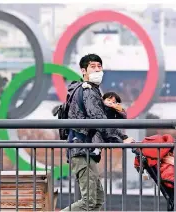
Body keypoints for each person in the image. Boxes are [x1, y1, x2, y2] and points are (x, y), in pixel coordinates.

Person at [61, 54, 134, 211]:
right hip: (82, 151)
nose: (97, 70)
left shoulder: (91, 91)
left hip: (86, 151)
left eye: (99, 66)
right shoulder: (88, 91)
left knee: (98, 199)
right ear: (83, 71)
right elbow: (99, 120)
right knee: (90, 201)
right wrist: (121, 139)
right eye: (93, 67)